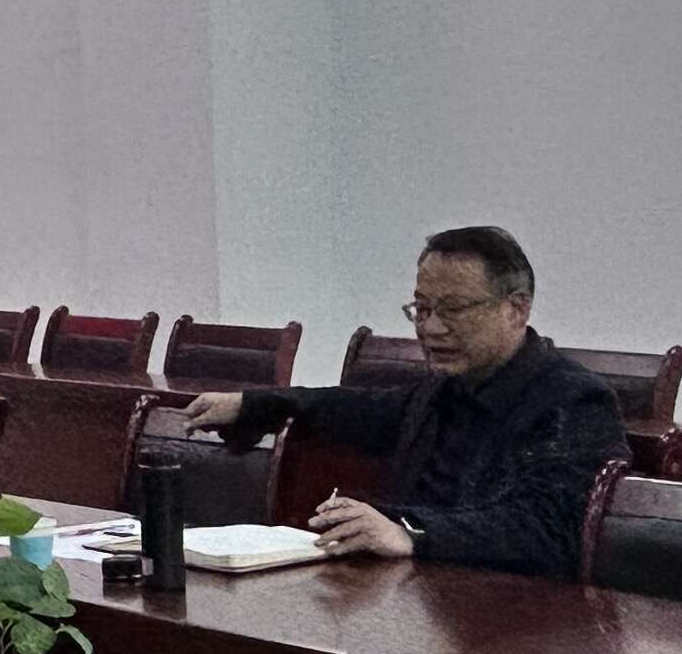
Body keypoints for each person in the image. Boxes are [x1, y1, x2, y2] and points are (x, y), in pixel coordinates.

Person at [179, 226, 627, 577]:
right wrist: (254, 404)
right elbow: (356, 409)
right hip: (421, 593)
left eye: (453, 310)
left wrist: (412, 532)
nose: (430, 328)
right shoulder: (443, 389)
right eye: (422, 309)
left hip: (513, 618)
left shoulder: (573, 399)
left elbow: (549, 530)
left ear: (516, 308)